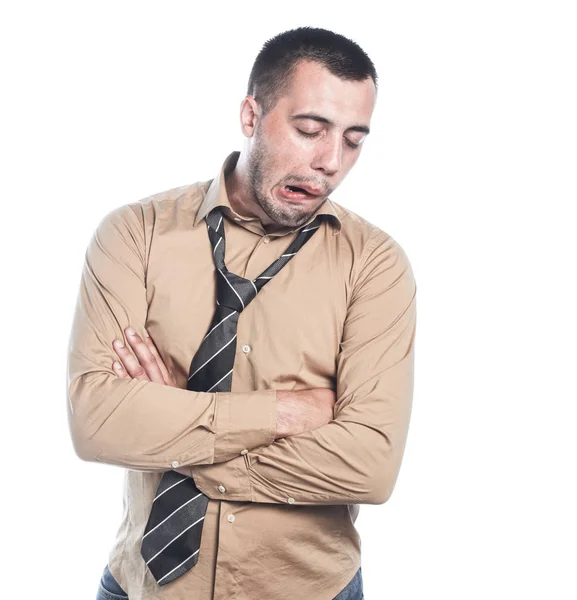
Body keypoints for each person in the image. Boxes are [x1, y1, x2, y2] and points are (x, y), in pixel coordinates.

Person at [66, 26, 417, 600]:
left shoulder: (374, 266)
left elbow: (371, 466)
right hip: (143, 585)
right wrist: (283, 412)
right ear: (251, 115)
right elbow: (95, 422)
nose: (330, 161)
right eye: (310, 130)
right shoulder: (135, 235)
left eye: (354, 140)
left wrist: (177, 428)